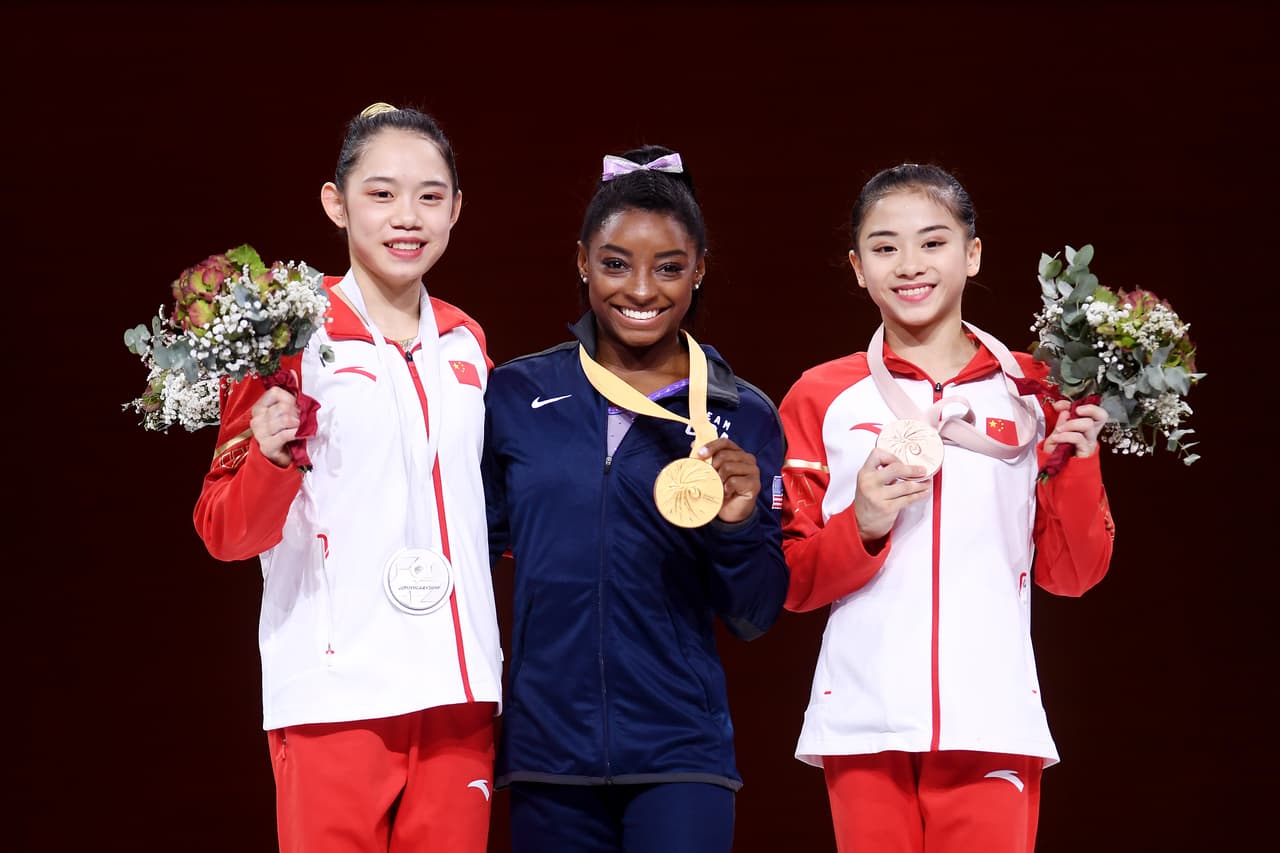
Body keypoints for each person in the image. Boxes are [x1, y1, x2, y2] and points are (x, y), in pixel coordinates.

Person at [778, 163, 1115, 853]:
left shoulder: (1038, 392)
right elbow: (789, 580)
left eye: (933, 242)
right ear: (857, 267)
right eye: (884, 247)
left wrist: (1075, 462)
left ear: (973, 253)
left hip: (992, 716)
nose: (909, 265)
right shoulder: (821, 397)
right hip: (863, 721)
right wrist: (864, 524)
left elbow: (1071, 573)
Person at [192, 103, 501, 852]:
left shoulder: (468, 339)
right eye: (381, 192)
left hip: (458, 694)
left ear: (456, 208)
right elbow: (225, 531)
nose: (408, 216)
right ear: (336, 202)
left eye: (430, 196)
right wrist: (266, 455)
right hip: (334, 693)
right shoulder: (286, 337)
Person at [481, 145, 790, 853]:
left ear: (700, 268)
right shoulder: (516, 396)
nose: (642, 289)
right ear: (583, 260)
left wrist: (739, 524)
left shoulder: (743, 413)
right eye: (617, 263)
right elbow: (468, 547)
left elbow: (755, 614)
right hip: (547, 754)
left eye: (669, 267)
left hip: (681, 751)